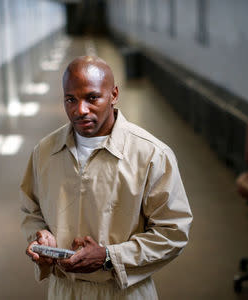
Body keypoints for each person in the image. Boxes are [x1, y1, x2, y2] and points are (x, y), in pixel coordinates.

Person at [21, 56, 192, 299]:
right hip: (63, 291)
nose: (80, 110)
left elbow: (173, 231)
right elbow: (31, 211)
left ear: (114, 94)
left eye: (92, 98)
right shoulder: (45, 152)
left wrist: (110, 256)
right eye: (71, 99)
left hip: (123, 291)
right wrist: (40, 237)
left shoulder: (151, 155)